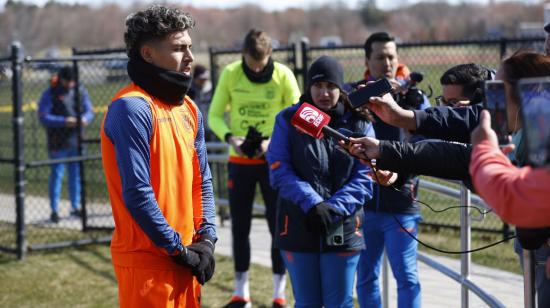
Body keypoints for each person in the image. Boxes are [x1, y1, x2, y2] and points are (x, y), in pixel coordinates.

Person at [100, 6, 216, 307]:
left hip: (188, 259)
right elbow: (138, 194)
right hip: (149, 265)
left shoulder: (188, 108)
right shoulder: (131, 108)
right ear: (148, 54)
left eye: (189, 47)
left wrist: (206, 239)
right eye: (179, 48)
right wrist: (179, 250)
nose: (190, 57)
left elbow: (202, 180)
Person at [266, 55, 374, 307]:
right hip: (296, 224)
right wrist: (313, 204)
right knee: (306, 303)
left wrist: (335, 208)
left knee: (339, 303)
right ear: (308, 88)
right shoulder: (287, 120)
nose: (324, 93)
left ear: (341, 88)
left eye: (331, 86)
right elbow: (279, 168)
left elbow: (367, 174)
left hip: (345, 228)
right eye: (318, 86)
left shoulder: (360, 122)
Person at [208, 29, 301, 308]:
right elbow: (214, 114)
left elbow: (297, 114)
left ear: (270, 55)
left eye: (261, 65)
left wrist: (273, 142)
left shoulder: (283, 74)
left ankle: (278, 294)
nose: (257, 69)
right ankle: (241, 293)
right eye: (252, 64)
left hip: (274, 161)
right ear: (243, 55)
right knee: (240, 227)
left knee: (278, 226)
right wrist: (230, 138)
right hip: (240, 162)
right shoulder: (231, 73)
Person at [349, 32, 427, 308]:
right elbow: (341, 111)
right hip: (365, 205)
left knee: (406, 276)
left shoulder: (411, 97)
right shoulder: (356, 93)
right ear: (368, 60)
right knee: (365, 276)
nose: (387, 62)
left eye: (392, 56)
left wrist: (408, 101)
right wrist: (370, 94)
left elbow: (429, 132)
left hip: (402, 202)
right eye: (380, 57)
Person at [38, 66, 94, 223]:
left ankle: (75, 206)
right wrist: (64, 121)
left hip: (77, 139)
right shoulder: (50, 93)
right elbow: (43, 116)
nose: (71, 84)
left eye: (73, 81)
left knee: (75, 175)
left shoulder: (80, 90)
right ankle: (54, 210)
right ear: (61, 79)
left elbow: (90, 110)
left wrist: (85, 118)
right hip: (58, 142)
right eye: (68, 81)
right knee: (57, 175)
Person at [188, 64, 213, 140]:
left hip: (209, 126)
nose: (203, 82)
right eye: (201, 79)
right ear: (195, 79)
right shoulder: (190, 91)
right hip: (195, 126)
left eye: (205, 79)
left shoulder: (210, 90)